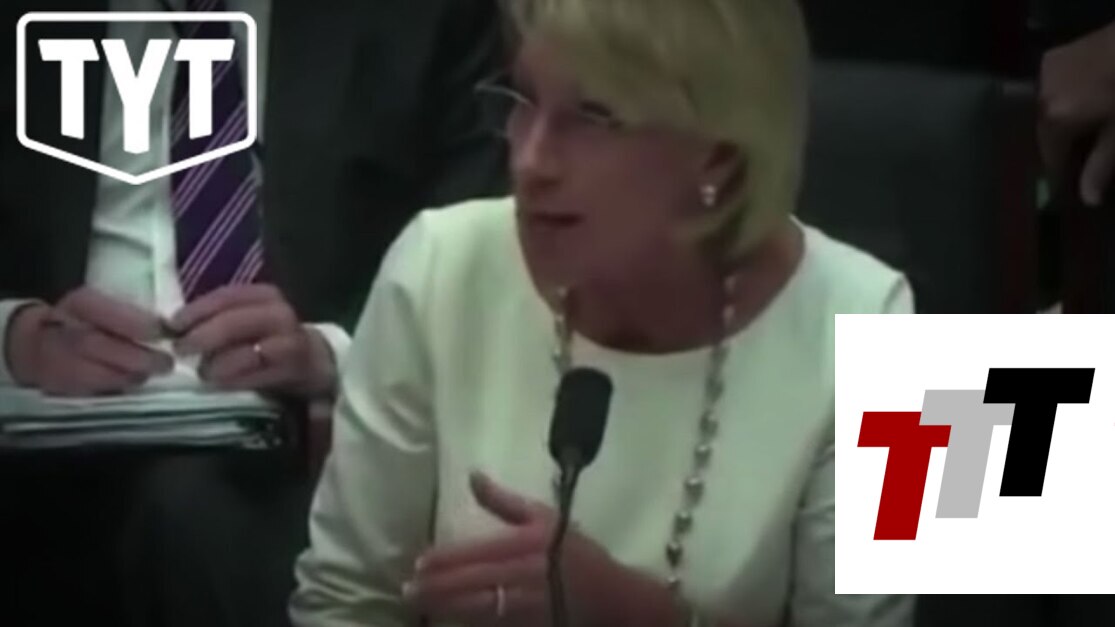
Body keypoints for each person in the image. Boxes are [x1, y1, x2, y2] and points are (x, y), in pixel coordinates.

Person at [290, 0, 913, 625]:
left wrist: (633, 614)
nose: (529, 161)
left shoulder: (896, 330)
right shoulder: (433, 262)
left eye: (592, 118)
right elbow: (341, 603)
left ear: (718, 155)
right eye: (523, 100)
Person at [0, 0, 506, 625]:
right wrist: (13, 335)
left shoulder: (421, 19)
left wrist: (330, 354)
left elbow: (487, 260)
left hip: (284, 458)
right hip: (33, 436)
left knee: (192, 513)